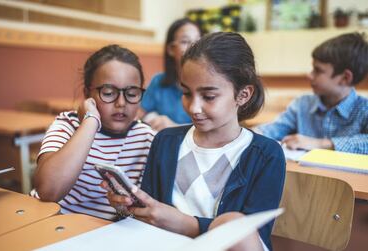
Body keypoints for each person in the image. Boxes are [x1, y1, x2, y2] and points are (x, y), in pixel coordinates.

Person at [104, 32, 285, 251]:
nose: (193, 108)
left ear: (243, 95)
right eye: (186, 93)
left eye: (208, 97)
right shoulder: (165, 141)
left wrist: (184, 223)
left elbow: (251, 240)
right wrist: (127, 208)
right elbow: (146, 217)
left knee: (235, 225)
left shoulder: (266, 154)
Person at [32, 44, 155, 220]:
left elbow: (137, 212)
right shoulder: (68, 125)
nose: (121, 102)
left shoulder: (147, 138)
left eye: (132, 93)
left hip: (102, 235)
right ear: (86, 93)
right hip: (52, 223)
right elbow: (48, 191)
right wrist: (90, 121)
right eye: (108, 92)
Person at [257, 32, 368, 154]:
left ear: (345, 78)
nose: (309, 75)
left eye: (318, 70)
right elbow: (274, 129)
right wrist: (249, 135)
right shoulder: (302, 104)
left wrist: (320, 144)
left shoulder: (364, 109)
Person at [139, 18, 201, 131]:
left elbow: (213, 130)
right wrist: (152, 118)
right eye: (185, 41)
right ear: (171, 49)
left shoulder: (208, 85)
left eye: (197, 41)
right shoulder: (158, 81)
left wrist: (174, 128)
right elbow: (138, 113)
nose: (193, 47)